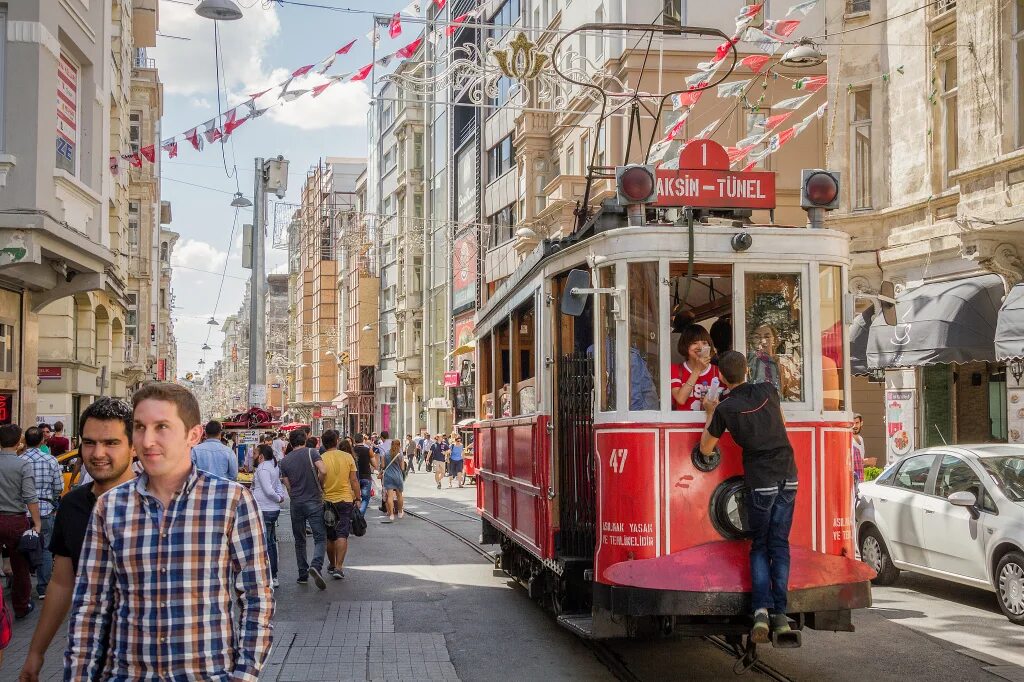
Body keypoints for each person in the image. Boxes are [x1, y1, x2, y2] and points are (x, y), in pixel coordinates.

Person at [65, 383, 274, 679]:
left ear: (194, 435)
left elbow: (257, 598)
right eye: (139, 427)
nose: (147, 440)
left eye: (162, 426)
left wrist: (244, 675)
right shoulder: (109, 507)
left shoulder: (232, 502)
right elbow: (90, 607)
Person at [19, 398, 137, 682]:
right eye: (89, 442)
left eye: (111, 443)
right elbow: (62, 582)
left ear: (134, 447)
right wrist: (36, 653)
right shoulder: (72, 505)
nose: (97, 453)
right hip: (87, 660)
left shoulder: (157, 503)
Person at [699, 351, 798, 644]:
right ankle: (780, 614)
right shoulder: (768, 390)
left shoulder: (725, 409)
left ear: (721, 377)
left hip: (761, 480)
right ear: (746, 370)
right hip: (789, 476)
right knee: (779, 545)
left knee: (759, 546)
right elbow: (782, 423)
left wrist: (708, 413)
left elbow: (706, 449)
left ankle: (760, 613)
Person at [0, 424, 41, 619]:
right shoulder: (22, 465)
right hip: (15, 519)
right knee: (21, 567)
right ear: (18, 442)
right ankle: (21, 606)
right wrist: (37, 523)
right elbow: (30, 496)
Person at [280, 429, 328, 590]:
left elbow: (287, 486)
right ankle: (316, 565)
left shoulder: (285, 461)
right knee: (320, 537)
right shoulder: (311, 452)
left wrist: (294, 493)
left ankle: (302, 573)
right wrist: (320, 484)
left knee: (299, 540)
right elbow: (323, 470)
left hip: (296, 502)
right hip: (313, 500)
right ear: (305, 439)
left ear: (291, 442)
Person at [19, 427, 62, 601]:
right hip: (44, 509)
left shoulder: (19, 460)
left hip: (22, 511)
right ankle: (43, 587)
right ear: (42, 441)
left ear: (25, 442)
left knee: (21, 548)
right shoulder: (51, 460)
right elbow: (59, 487)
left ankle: (21, 586)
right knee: (45, 549)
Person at [320, 430, 359, 578]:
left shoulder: (321, 458)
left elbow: (320, 479)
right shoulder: (347, 456)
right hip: (345, 499)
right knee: (342, 533)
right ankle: (339, 567)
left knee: (330, 536)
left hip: (328, 501)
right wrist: (358, 497)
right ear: (336, 441)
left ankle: (331, 564)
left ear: (323, 443)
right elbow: (354, 480)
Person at [252, 444, 284, 588]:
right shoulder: (273, 467)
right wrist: (280, 497)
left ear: (261, 456)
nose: (253, 455)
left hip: (265, 508)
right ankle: (272, 575)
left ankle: (269, 575)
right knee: (270, 542)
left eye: (255, 453)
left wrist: (278, 498)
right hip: (271, 508)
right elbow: (277, 486)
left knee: (264, 543)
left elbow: (268, 490)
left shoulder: (263, 468)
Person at [670, 324, 721, 412]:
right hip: (682, 424)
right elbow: (680, 399)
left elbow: (730, 404)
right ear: (685, 346)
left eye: (704, 343)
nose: (700, 347)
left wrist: (715, 404)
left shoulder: (718, 371)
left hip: (710, 424)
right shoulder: (675, 370)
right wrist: (697, 369)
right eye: (694, 343)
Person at [747, 323, 799, 401]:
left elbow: (793, 395)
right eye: (757, 337)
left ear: (774, 340)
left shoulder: (785, 365)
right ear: (752, 340)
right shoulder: (747, 363)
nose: (763, 341)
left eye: (767, 336)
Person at [379, 440, 406, 521]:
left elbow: (383, 466)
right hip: (398, 476)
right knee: (399, 495)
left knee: (390, 496)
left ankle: (391, 514)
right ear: (399, 445)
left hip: (388, 476)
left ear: (391, 445)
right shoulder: (400, 455)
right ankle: (400, 512)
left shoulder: (385, 454)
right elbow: (402, 468)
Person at [352, 433, 377, 516]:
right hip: (366, 476)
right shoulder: (368, 450)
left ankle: (355, 515)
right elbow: (375, 464)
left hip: (354, 477)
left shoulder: (351, 450)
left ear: (354, 441)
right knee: (365, 499)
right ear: (363, 440)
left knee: (354, 498)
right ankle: (360, 515)